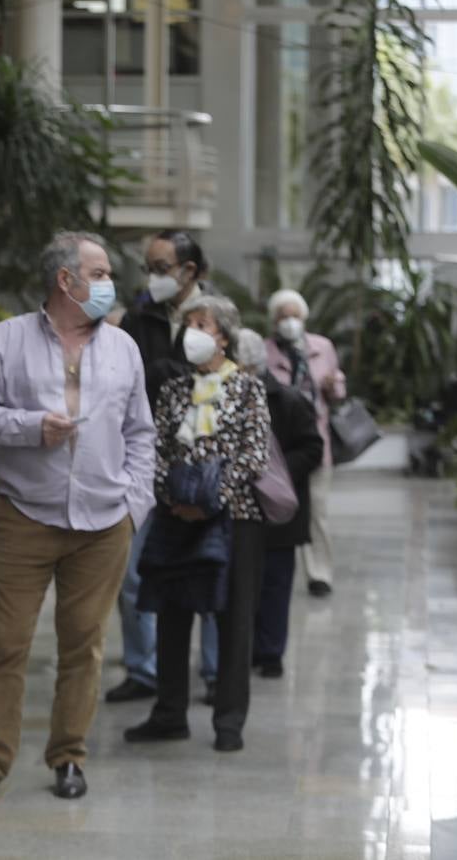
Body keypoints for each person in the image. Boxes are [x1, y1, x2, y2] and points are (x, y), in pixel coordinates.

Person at [0, 231, 156, 805]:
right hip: (25, 516)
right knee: (7, 643)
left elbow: (140, 432)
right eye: (101, 271)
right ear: (66, 280)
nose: (110, 282)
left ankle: (68, 756)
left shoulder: (123, 347)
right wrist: (30, 426)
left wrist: (135, 505)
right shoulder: (6, 339)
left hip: (104, 523)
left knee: (83, 646)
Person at [125, 295, 270, 753]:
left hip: (234, 518)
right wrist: (174, 498)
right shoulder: (172, 389)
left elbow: (254, 455)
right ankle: (169, 713)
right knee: (172, 612)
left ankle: (229, 720)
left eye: (202, 323)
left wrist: (211, 501)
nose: (191, 331)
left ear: (223, 336)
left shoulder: (249, 389)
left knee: (232, 617)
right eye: (187, 324)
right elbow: (155, 450)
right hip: (175, 515)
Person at [109, 230, 219, 704]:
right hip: (142, 463)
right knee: (130, 572)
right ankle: (143, 669)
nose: (152, 277)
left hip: (204, 464)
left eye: (161, 267)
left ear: (189, 271)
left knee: (210, 563)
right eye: (149, 267)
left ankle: (214, 671)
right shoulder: (139, 316)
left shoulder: (219, 318)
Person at [235, 329, 324, 678]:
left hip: (279, 512)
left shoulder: (288, 400)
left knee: (275, 583)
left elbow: (313, 448)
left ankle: (270, 652)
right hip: (240, 509)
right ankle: (244, 648)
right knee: (243, 585)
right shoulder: (227, 397)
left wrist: (275, 473)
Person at [264, 289, 346, 597]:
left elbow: (339, 390)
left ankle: (319, 573)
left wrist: (333, 385)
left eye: (294, 315)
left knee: (317, 512)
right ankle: (277, 564)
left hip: (316, 444)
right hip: (279, 449)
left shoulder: (322, 347)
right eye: (283, 316)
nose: (289, 322)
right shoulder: (265, 350)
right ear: (274, 320)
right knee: (280, 507)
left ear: (304, 318)